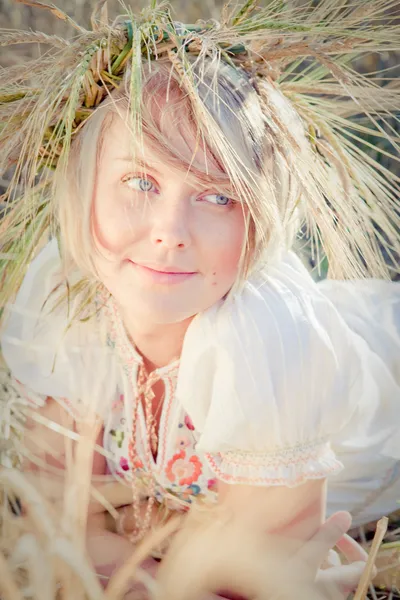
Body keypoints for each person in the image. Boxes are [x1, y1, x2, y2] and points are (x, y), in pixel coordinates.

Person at [0, 0, 399, 597]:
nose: (170, 230)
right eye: (140, 181)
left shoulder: (267, 338)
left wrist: (138, 566)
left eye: (217, 197)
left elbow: (255, 574)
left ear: (258, 222)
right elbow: (58, 519)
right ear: (83, 188)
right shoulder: (67, 298)